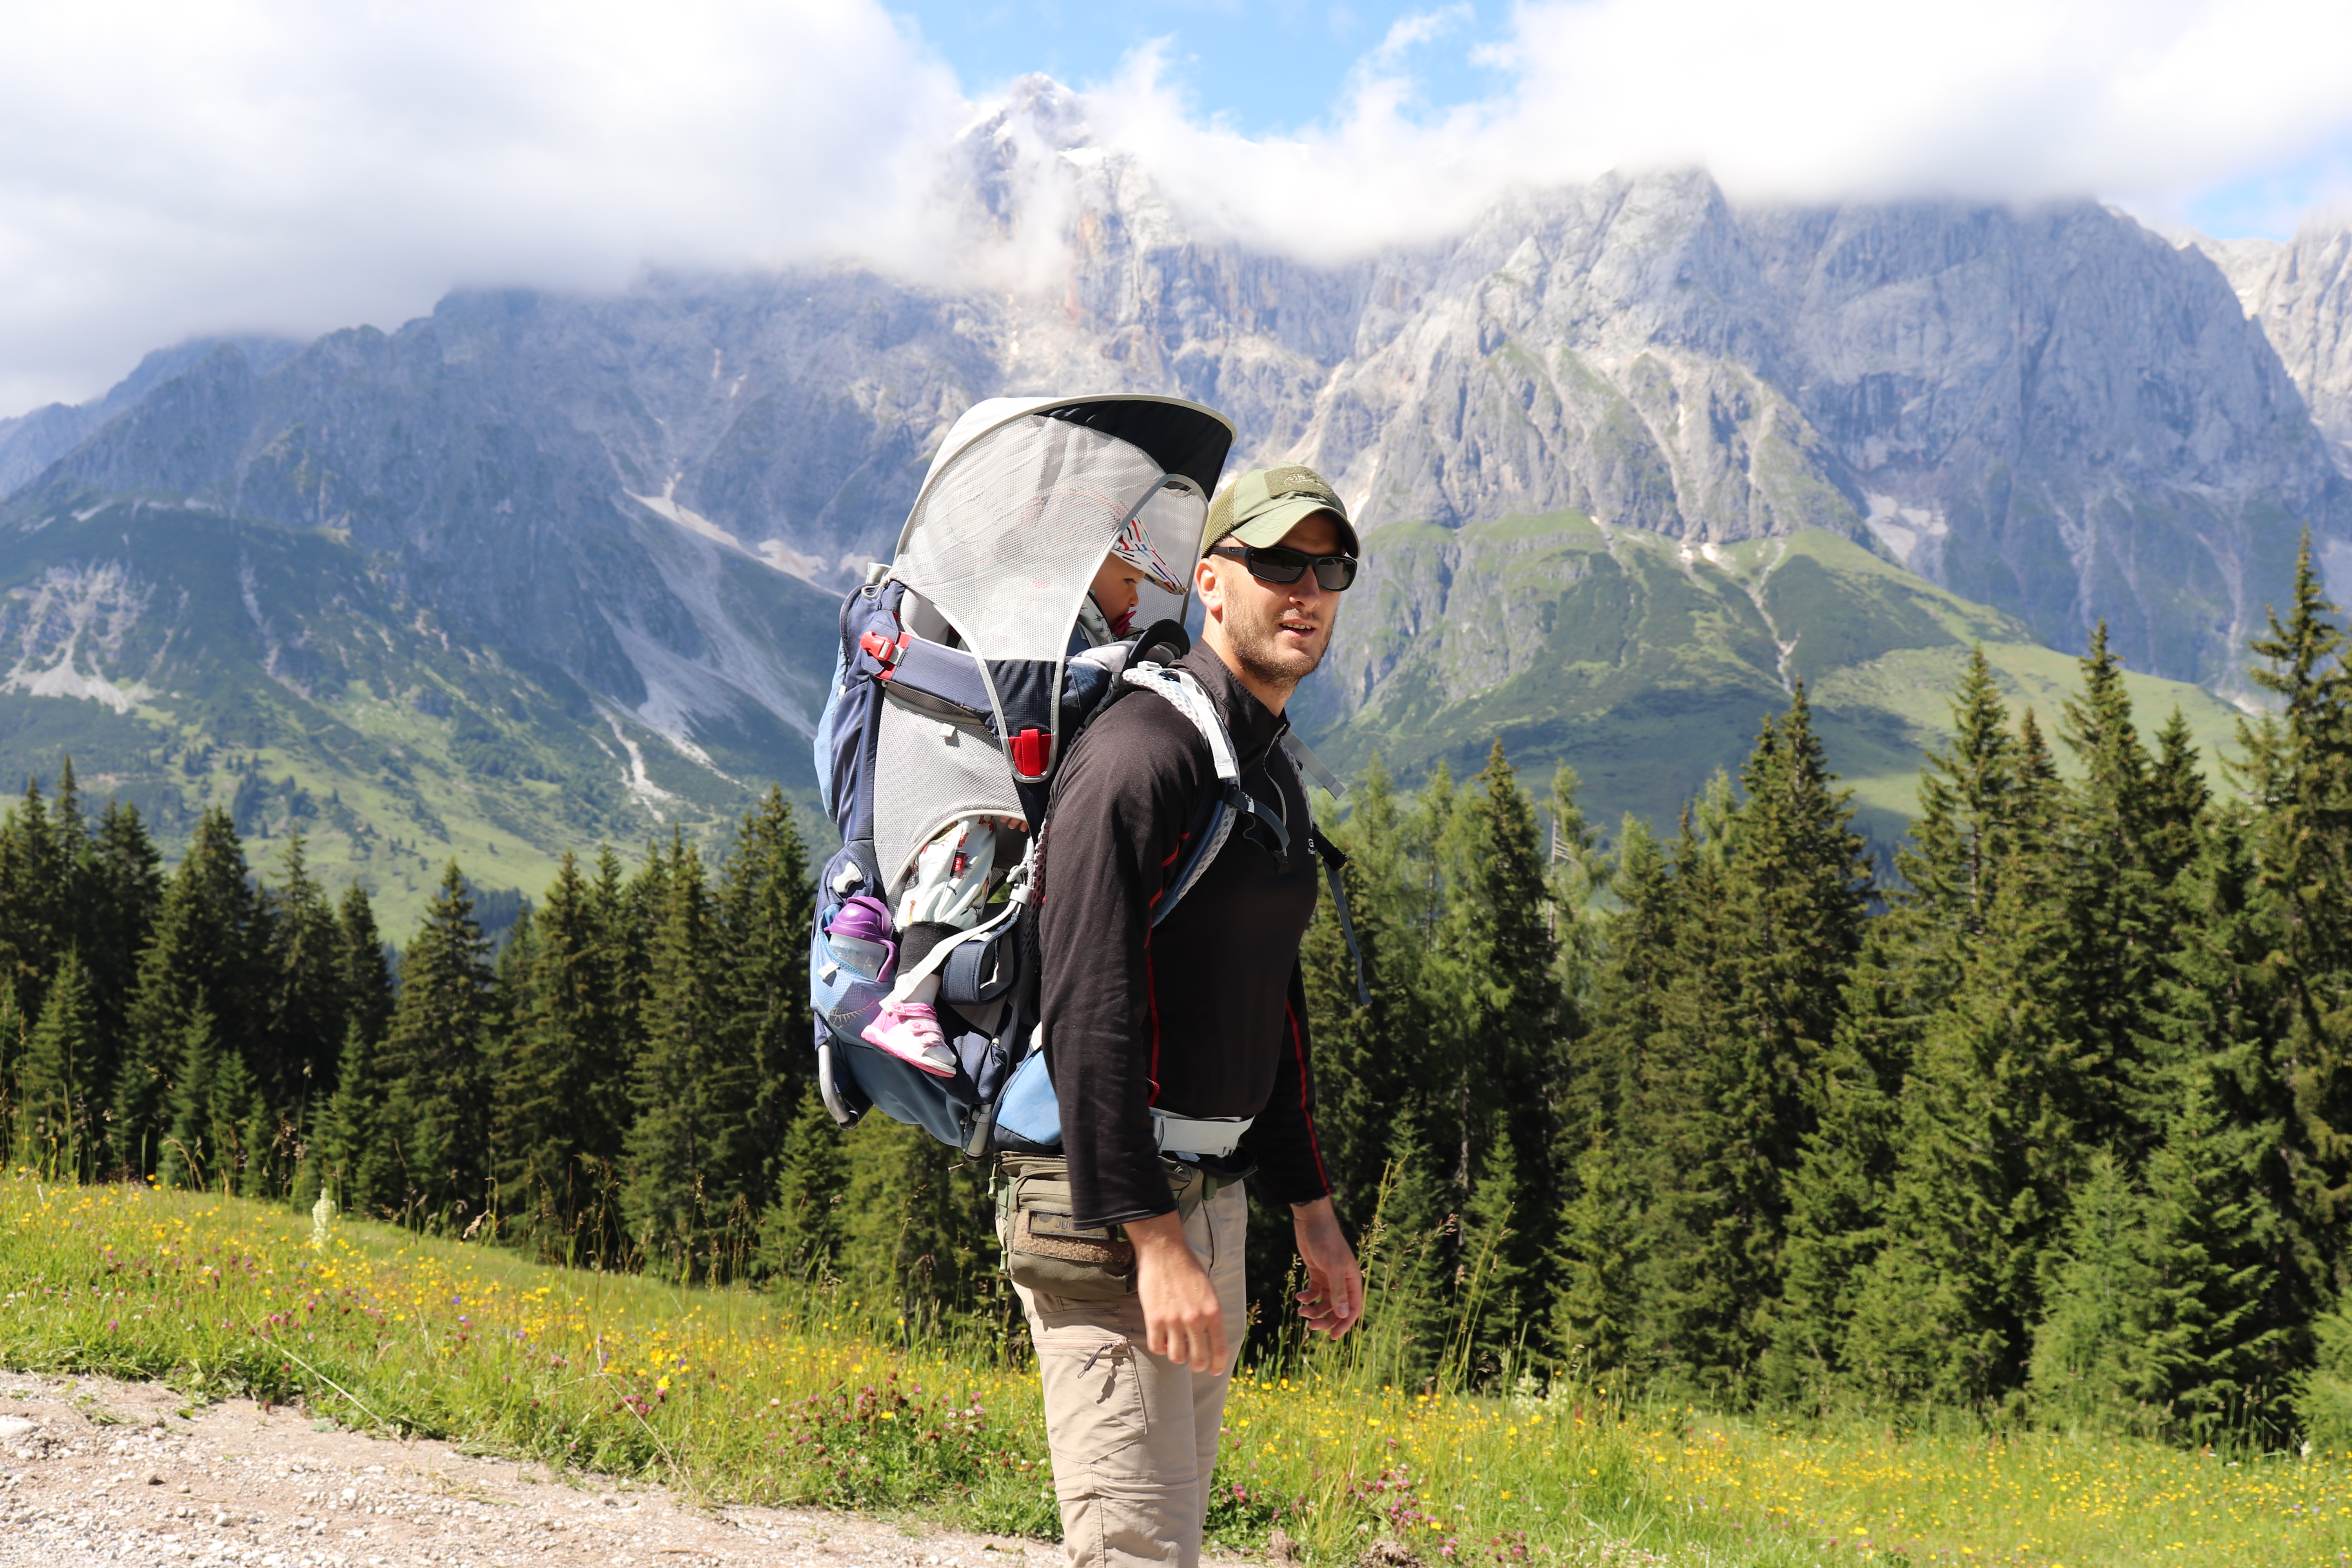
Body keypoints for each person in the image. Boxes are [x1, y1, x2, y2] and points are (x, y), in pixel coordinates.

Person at [1021, 464, 1369, 1568]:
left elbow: (1270, 993)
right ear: (1212, 583)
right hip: (1105, 1209)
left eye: (1330, 566)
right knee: (1127, 1547)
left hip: (1207, 1198)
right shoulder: (1141, 755)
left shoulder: (1262, 768)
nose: (1305, 590)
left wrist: (1307, 1206)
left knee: (1165, 1544)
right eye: (1277, 563)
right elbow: (1088, 1006)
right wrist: (1152, 1236)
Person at [864, 513, 1188, 1074]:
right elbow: (1010, 704)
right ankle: (908, 1000)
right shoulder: (1042, 618)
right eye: (1130, 579)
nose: (1137, 596)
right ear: (1089, 568)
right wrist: (1012, 792)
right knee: (967, 848)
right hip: (971, 780)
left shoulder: (1083, 628)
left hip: (1022, 786)